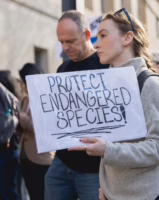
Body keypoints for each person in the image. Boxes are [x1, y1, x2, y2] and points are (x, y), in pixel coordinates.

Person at [69, 8, 159, 200]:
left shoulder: (150, 84)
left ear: (127, 38)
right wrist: (106, 187)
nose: (96, 45)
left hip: (147, 194)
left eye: (103, 35)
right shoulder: (108, 86)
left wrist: (107, 150)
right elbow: (110, 141)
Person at [45, 10, 109, 200]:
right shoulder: (62, 69)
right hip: (62, 162)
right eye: (61, 42)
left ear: (88, 35)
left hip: (93, 168)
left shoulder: (106, 65)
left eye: (70, 41)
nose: (65, 47)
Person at [19, 63, 54, 200]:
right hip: (25, 156)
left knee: (40, 194)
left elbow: (46, 129)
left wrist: (24, 120)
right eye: (22, 83)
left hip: (41, 158)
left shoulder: (46, 99)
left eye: (25, 83)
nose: (23, 87)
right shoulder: (25, 100)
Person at [0, 71, 20, 200]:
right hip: (11, 149)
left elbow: (6, 121)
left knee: (6, 190)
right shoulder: (13, 102)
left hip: (7, 150)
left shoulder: (8, 103)